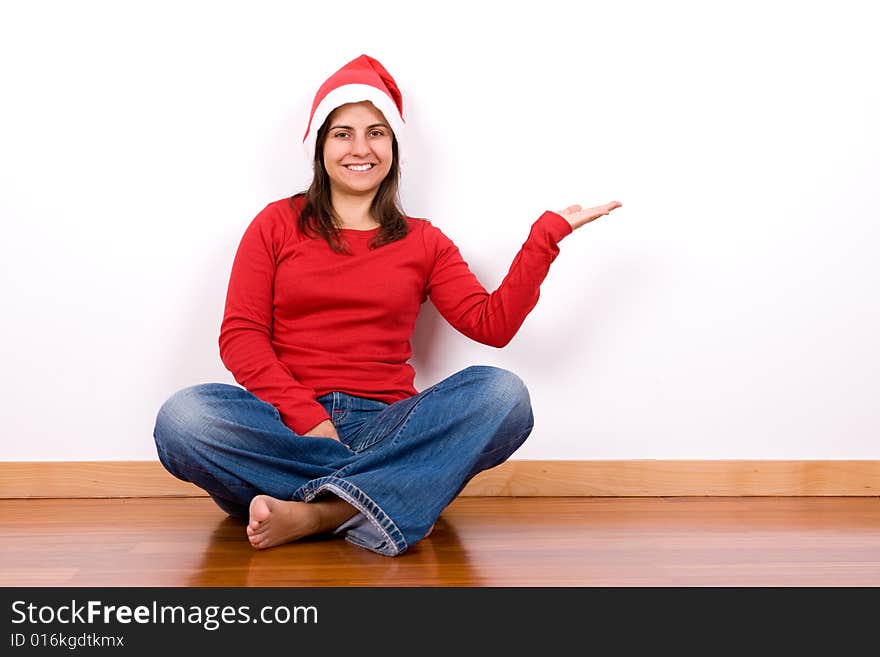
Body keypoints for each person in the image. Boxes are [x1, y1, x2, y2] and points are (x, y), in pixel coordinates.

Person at [152, 54, 621, 557]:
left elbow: (493, 325)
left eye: (376, 132)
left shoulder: (425, 241)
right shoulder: (275, 223)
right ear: (320, 146)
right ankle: (381, 496)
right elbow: (241, 336)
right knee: (185, 418)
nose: (361, 148)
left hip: (386, 426)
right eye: (343, 134)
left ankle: (318, 511)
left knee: (502, 395)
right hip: (286, 426)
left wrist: (545, 237)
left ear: (393, 146)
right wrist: (308, 418)